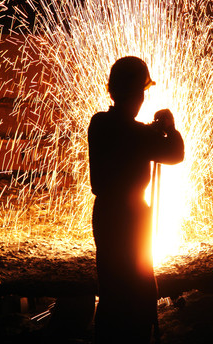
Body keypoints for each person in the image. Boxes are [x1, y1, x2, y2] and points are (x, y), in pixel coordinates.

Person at [88, 56, 184, 343]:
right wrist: (170, 126)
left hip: (105, 214)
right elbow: (175, 154)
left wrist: (149, 131)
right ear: (137, 94)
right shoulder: (138, 133)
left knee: (112, 286)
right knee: (140, 287)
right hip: (131, 217)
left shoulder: (98, 124)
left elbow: (126, 135)